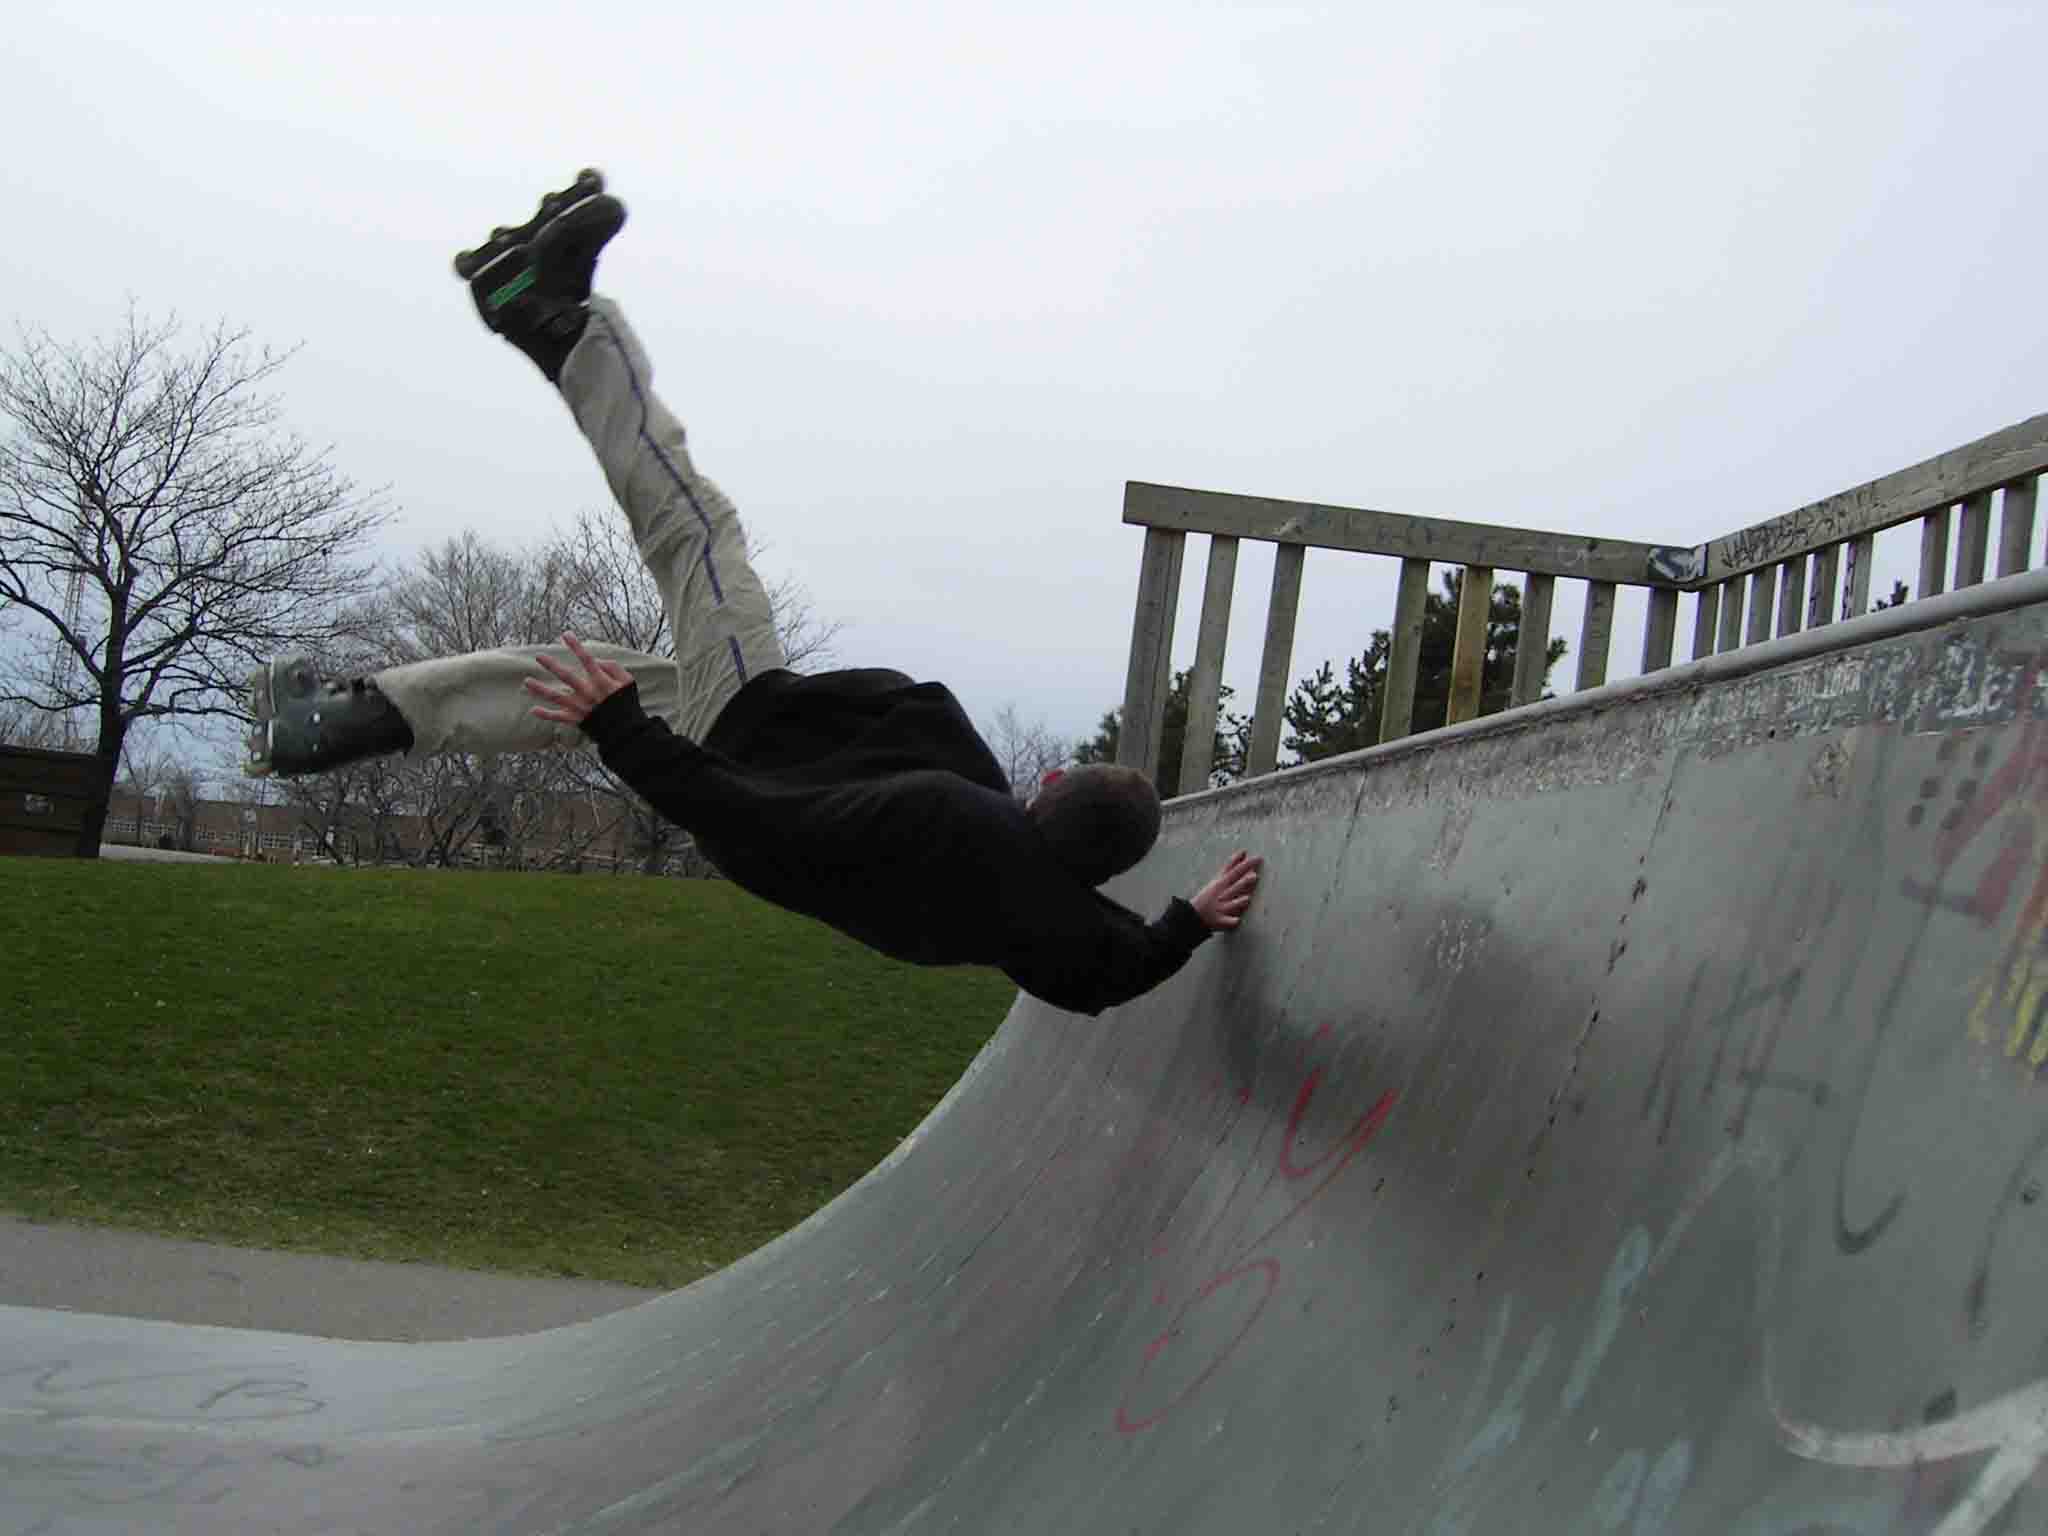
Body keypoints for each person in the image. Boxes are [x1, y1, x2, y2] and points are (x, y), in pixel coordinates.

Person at [245, 173, 1262, 1015]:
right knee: (575, 680)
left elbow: (761, 821)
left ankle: (553, 318)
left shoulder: (945, 818)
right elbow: (1110, 977)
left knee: (692, 533)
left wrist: (623, 739)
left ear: (1048, 793)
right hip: (747, 791)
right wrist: (1185, 921)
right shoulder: (1051, 921)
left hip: (746, 750)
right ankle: (343, 725)